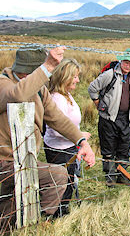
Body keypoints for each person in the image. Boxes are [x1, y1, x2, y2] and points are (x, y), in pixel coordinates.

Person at [0, 46, 96, 233]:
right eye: (42, 70)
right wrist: (48, 66)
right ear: (32, 71)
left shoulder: (40, 90)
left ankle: (2, 232)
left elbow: (57, 119)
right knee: (57, 175)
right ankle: (40, 224)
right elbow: (17, 95)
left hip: (24, 158)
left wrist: (82, 142)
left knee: (11, 199)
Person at [43, 58, 90, 214]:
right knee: (62, 183)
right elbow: (56, 129)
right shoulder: (57, 98)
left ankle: (62, 210)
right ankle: (57, 214)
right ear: (64, 77)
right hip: (59, 150)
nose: (77, 80)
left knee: (69, 180)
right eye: (75, 76)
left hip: (69, 147)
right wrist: (79, 135)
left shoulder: (67, 95)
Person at [88, 48, 130, 187]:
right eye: (126, 62)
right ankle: (110, 179)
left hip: (126, 119)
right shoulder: (109, 75)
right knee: (108, 150)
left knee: (124, 149)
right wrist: (98, 104)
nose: (127, 66)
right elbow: (92, 88)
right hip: (108, 119)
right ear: (121, 60)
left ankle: (122, 176)